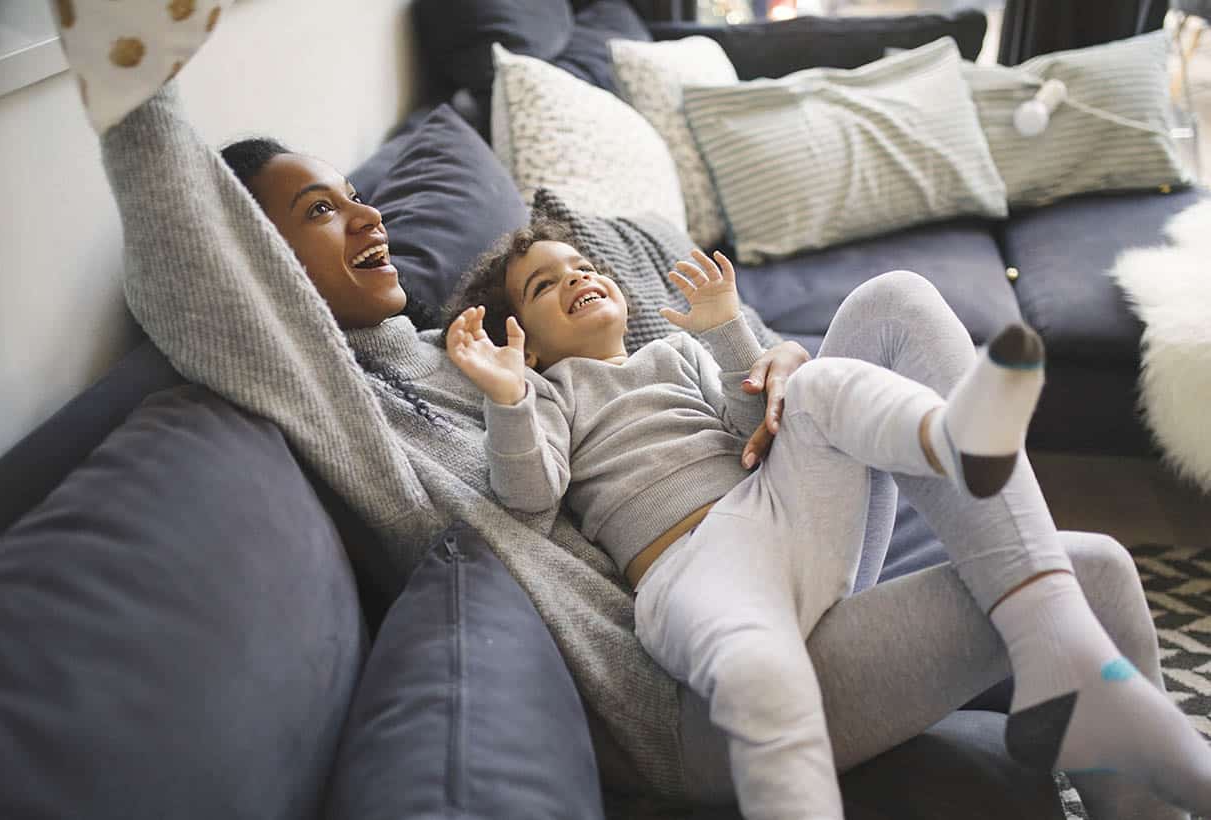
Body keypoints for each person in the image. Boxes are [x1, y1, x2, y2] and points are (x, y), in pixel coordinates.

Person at [99, 80, 1196, 820]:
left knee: (900, 307)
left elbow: (681, 389)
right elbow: (198, 271)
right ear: (266, 264)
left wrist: (770, 364)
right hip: (694, 684)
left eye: (352, 196)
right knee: (1097, 567)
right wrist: (130, 86)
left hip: (778, 537)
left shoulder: (458, 342)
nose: (366, 217)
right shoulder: (357, 395)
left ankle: (1075, 690)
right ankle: (1099, 725)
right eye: (318, 214)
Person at [444, 221, 1211, 820]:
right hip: (707, 566)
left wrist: (734, 336)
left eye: (580, 264)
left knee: (842, 355)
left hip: (788, 517)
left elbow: (754, 425)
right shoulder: (546, 393)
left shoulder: (674, 353)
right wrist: (506, 400)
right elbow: (529, 498)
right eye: (546, 285)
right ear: (528, 341)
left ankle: (948, 438)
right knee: (1098, 569)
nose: (575, 277)